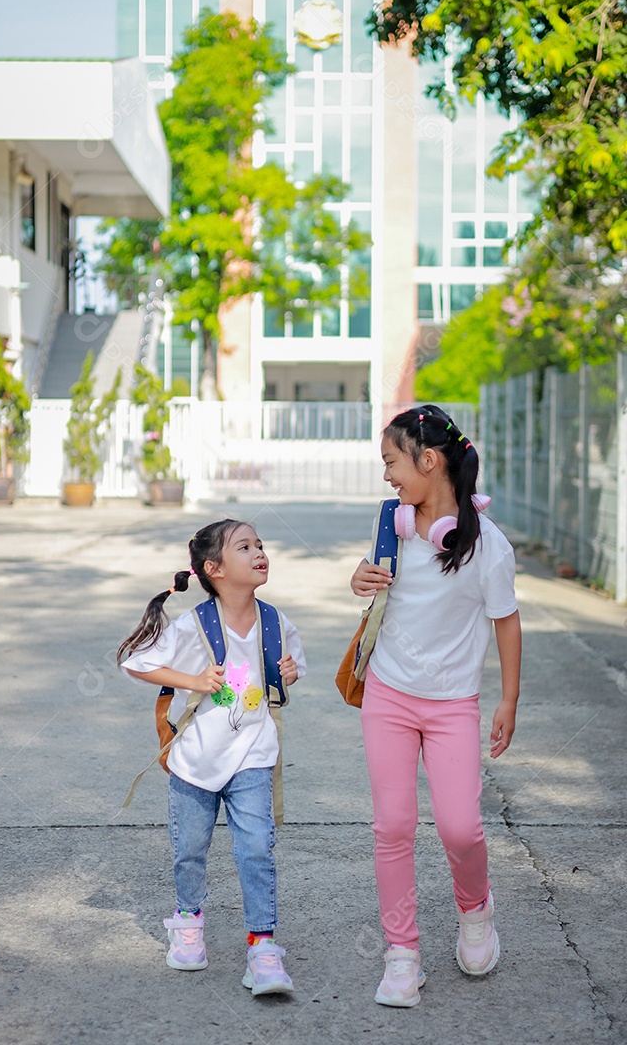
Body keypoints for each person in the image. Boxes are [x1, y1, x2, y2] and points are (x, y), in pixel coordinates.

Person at [351, 404, 521, 1008]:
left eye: (393, 462)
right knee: (392, 826)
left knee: (461, 827)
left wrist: (507, 699)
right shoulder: (389, 527)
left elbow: (506, 621)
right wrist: (361, 581)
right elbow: (372, 590)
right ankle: (402, 954)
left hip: (452, 705)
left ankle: (475, 909)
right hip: (390, 696)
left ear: (429, 460)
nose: (389, 476)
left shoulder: (487, 548)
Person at [117, 518, 306, 996]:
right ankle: (187, 923)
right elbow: (135, 662)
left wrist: (287, 671)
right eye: (245, 546)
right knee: (190, 851)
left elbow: (292, 670)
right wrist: (194, 681)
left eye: (260, 544)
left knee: (257, 849)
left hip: (253, 755)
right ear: (214, 568)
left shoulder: (276, 622)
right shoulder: (193, 625)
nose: (260, 552)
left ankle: (262, 947)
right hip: (196, 762)